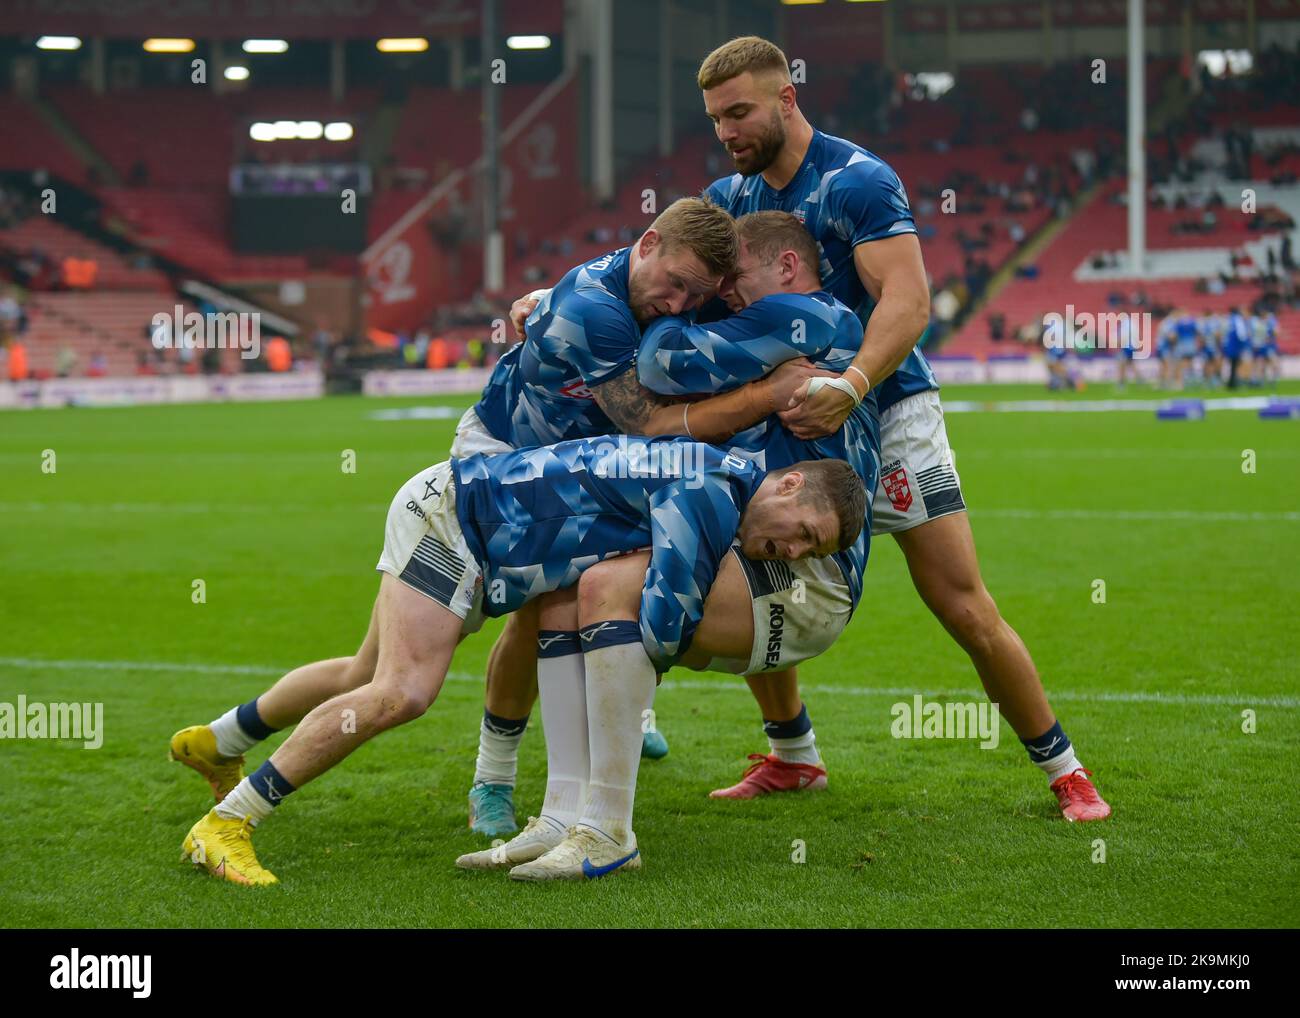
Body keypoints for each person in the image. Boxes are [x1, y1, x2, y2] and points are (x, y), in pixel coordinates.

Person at [690, 35, 1108, 819]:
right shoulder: (730, 197)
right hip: (792, 413)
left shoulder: (859, 181)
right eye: (716, 118)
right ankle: (794, 758)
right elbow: (675, 278)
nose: (727, 131)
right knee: (755, 560)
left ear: (787, 98)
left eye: (740, 112)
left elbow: (908, 303)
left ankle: (1065, 770)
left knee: (958, 600)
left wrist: (852, 384)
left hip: (889, 408)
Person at [175, 435, 865, 884]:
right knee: (401, 692)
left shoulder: (722, 477)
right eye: (804, 533)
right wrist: (641, 680)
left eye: (812, 552)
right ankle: (227, 823)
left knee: (371, 673)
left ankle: (221, 740)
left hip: (465, 519)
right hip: (455, 523)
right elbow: (660, 623)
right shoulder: (711, 494)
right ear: (787, 485)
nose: (795, 552)